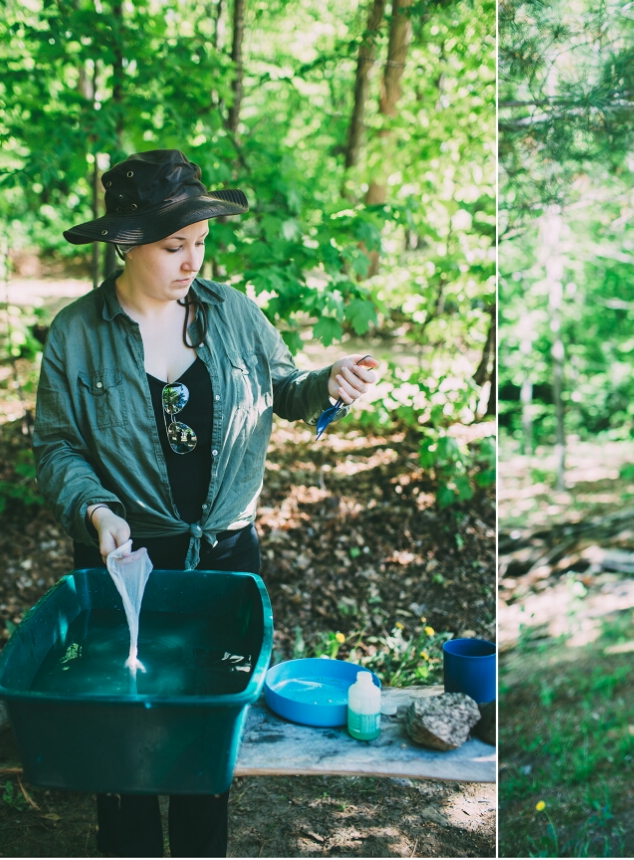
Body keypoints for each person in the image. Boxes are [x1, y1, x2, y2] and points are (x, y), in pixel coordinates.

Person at [33, 149, 380, 857]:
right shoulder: (77, 334)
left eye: (199, 243)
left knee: (203, 748)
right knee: (124, 745)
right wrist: (98, 511)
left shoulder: (235, 315)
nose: (192, 262)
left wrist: (330, 381)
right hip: (127, 561)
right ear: (125, 244)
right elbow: (57, 447)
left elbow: (285, 386)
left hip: (225, 556)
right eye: (173, 247)